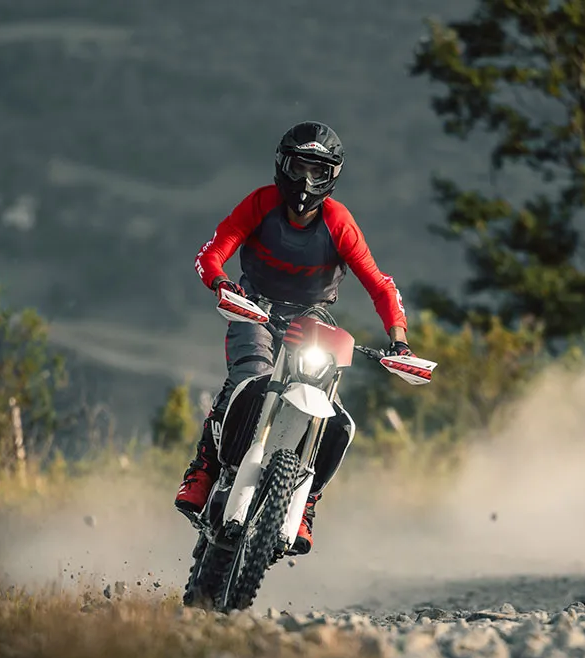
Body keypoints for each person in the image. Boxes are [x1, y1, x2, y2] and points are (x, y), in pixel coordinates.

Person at [175, 120, 412, 556]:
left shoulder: (339, 223)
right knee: (248, 376)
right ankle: (203, 470)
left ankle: (305, 503)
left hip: (312, 319)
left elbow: (381, 285)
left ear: (332, 176)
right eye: (299, 167)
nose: (305, 180)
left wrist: (399, 342)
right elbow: (212, 252)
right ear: (282, 165)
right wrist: (222, 284)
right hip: (253, 306)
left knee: (330, 407)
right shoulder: (260, 204)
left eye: (317, 171)